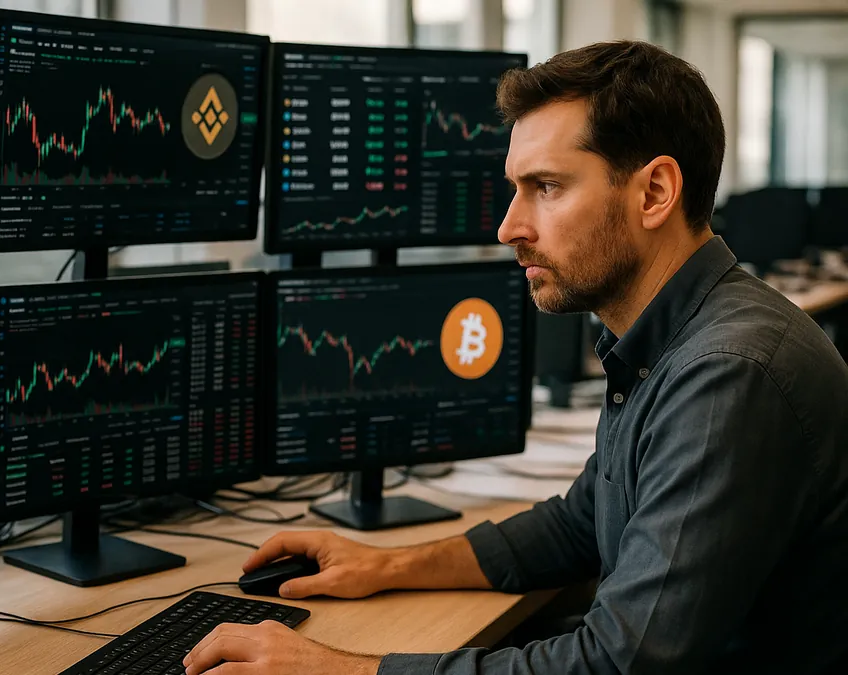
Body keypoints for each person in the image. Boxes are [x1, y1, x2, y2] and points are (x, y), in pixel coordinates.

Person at [182, 39, 848, 675]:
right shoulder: (669, 340)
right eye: (516, 187)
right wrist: (382, 565)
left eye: (547, 187)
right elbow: (580, 523)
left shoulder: (729, 371)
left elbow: (617, 663)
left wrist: (329, 666)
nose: (509, 227)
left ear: (654, 192)